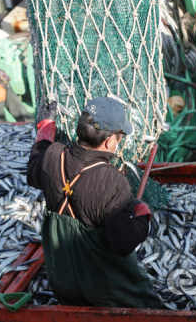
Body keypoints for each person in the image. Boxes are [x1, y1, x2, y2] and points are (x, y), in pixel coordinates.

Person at [27, 97, 161, 308]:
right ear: (109, 142)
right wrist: (142, 215)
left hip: (64, 284)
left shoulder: (53, 157)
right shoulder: (114, 182)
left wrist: (45, 126)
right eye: (119, 137)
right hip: (108, 289)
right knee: (153, 309)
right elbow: (122, 243)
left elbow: (35, 166)